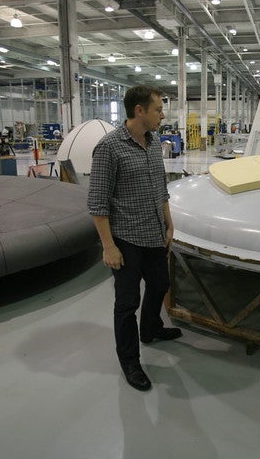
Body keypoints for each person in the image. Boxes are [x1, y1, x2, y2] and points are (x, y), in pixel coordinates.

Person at [88, 85, 181, 391]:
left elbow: (161, 189)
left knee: (160, 285)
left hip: (154, 234)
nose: (162, 114)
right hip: (126, 240)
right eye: (158, 109)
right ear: (139, 110)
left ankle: (151, 328)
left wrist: (169, 225)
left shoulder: (155, 143)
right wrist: (109, 246)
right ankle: (130, 361)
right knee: (127, 302)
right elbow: (98, 205)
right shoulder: (109, 148)